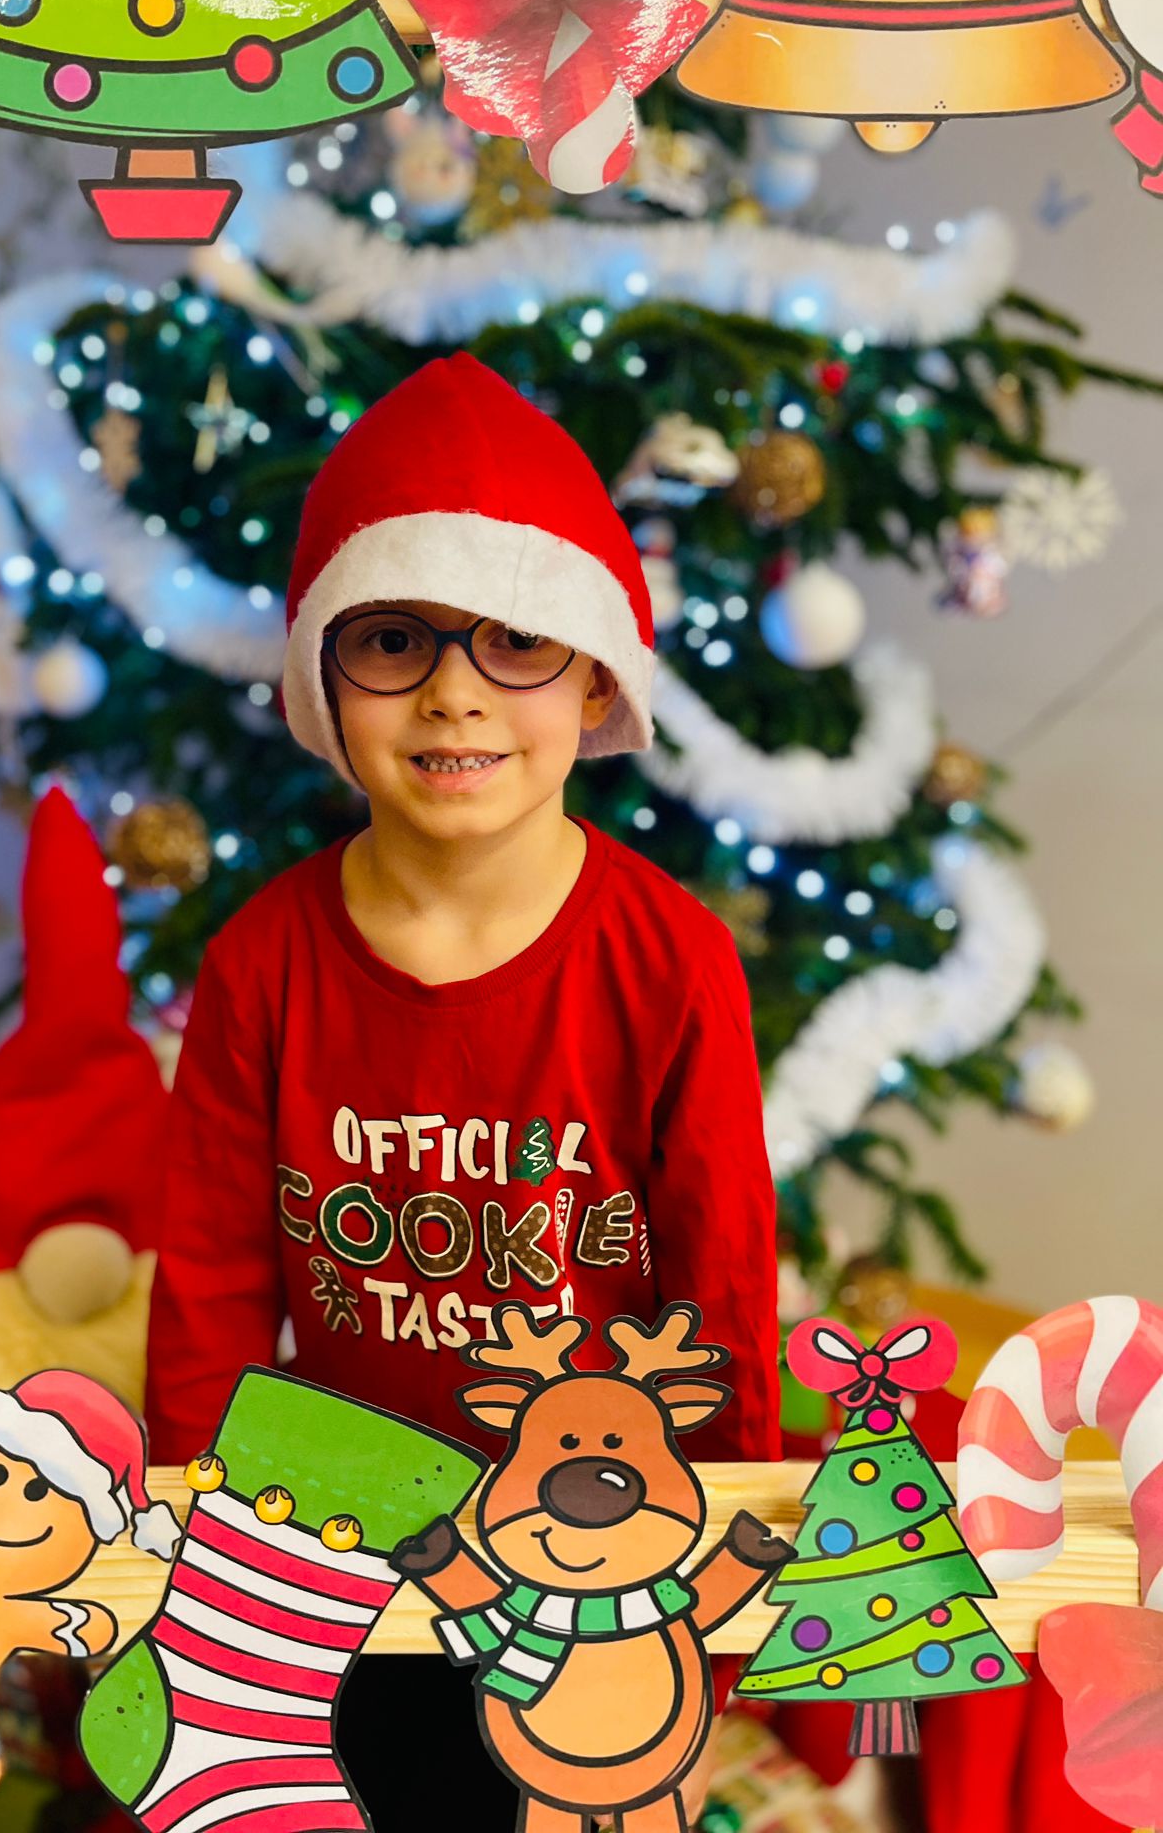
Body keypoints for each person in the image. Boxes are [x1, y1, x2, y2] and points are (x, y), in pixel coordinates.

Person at [145, 351, 780, 1827]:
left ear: (597, 676)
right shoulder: (260, 962)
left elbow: (724, 1293)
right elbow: (212, 1293)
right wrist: (195, 1561)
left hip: (603, 1561)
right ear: (322, 680)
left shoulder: (672, 963)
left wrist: (713, 1610)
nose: (451, 695)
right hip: (343, 1544)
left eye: (517, 642)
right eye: (394, 641)